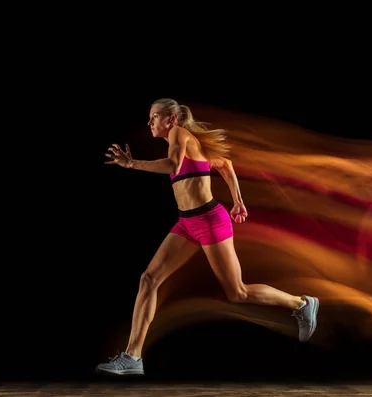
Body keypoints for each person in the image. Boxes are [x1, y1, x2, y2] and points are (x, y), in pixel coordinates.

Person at [97, 98, 319, 376]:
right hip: (187, 223)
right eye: (150, 117)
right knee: (149, 279)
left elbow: (173, 165)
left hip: (210, 220)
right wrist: (238, 201)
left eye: (154, 117)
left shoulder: (179, 135)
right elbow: (225, 164)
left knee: (237, 292)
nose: (150, 122)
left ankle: (301, 303)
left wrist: (131, 165)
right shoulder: (191, 144)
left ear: (172, 119)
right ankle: (133, 357)